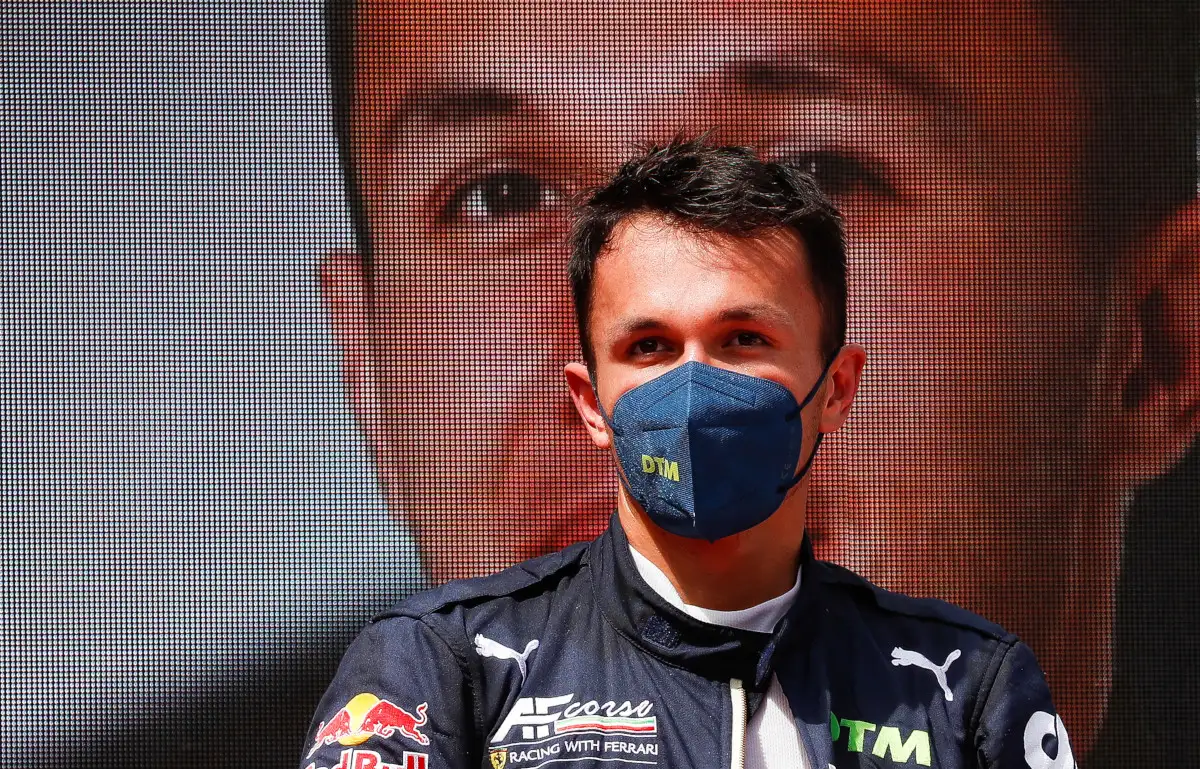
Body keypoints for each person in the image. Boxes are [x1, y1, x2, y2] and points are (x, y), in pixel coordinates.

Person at [322, 0, 1199, 761]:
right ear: (368, 372)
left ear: (1152, 342)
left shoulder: (987, 683)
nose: (660, 352)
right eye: (504, 195)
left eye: (812, 178)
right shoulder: (398, 687)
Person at [302, 138, 1074, 769]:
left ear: (837, 386)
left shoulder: (969, 686)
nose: (694, 387)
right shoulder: (444, 664)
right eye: (649, 346)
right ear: (590, 402)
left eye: (743, 339)